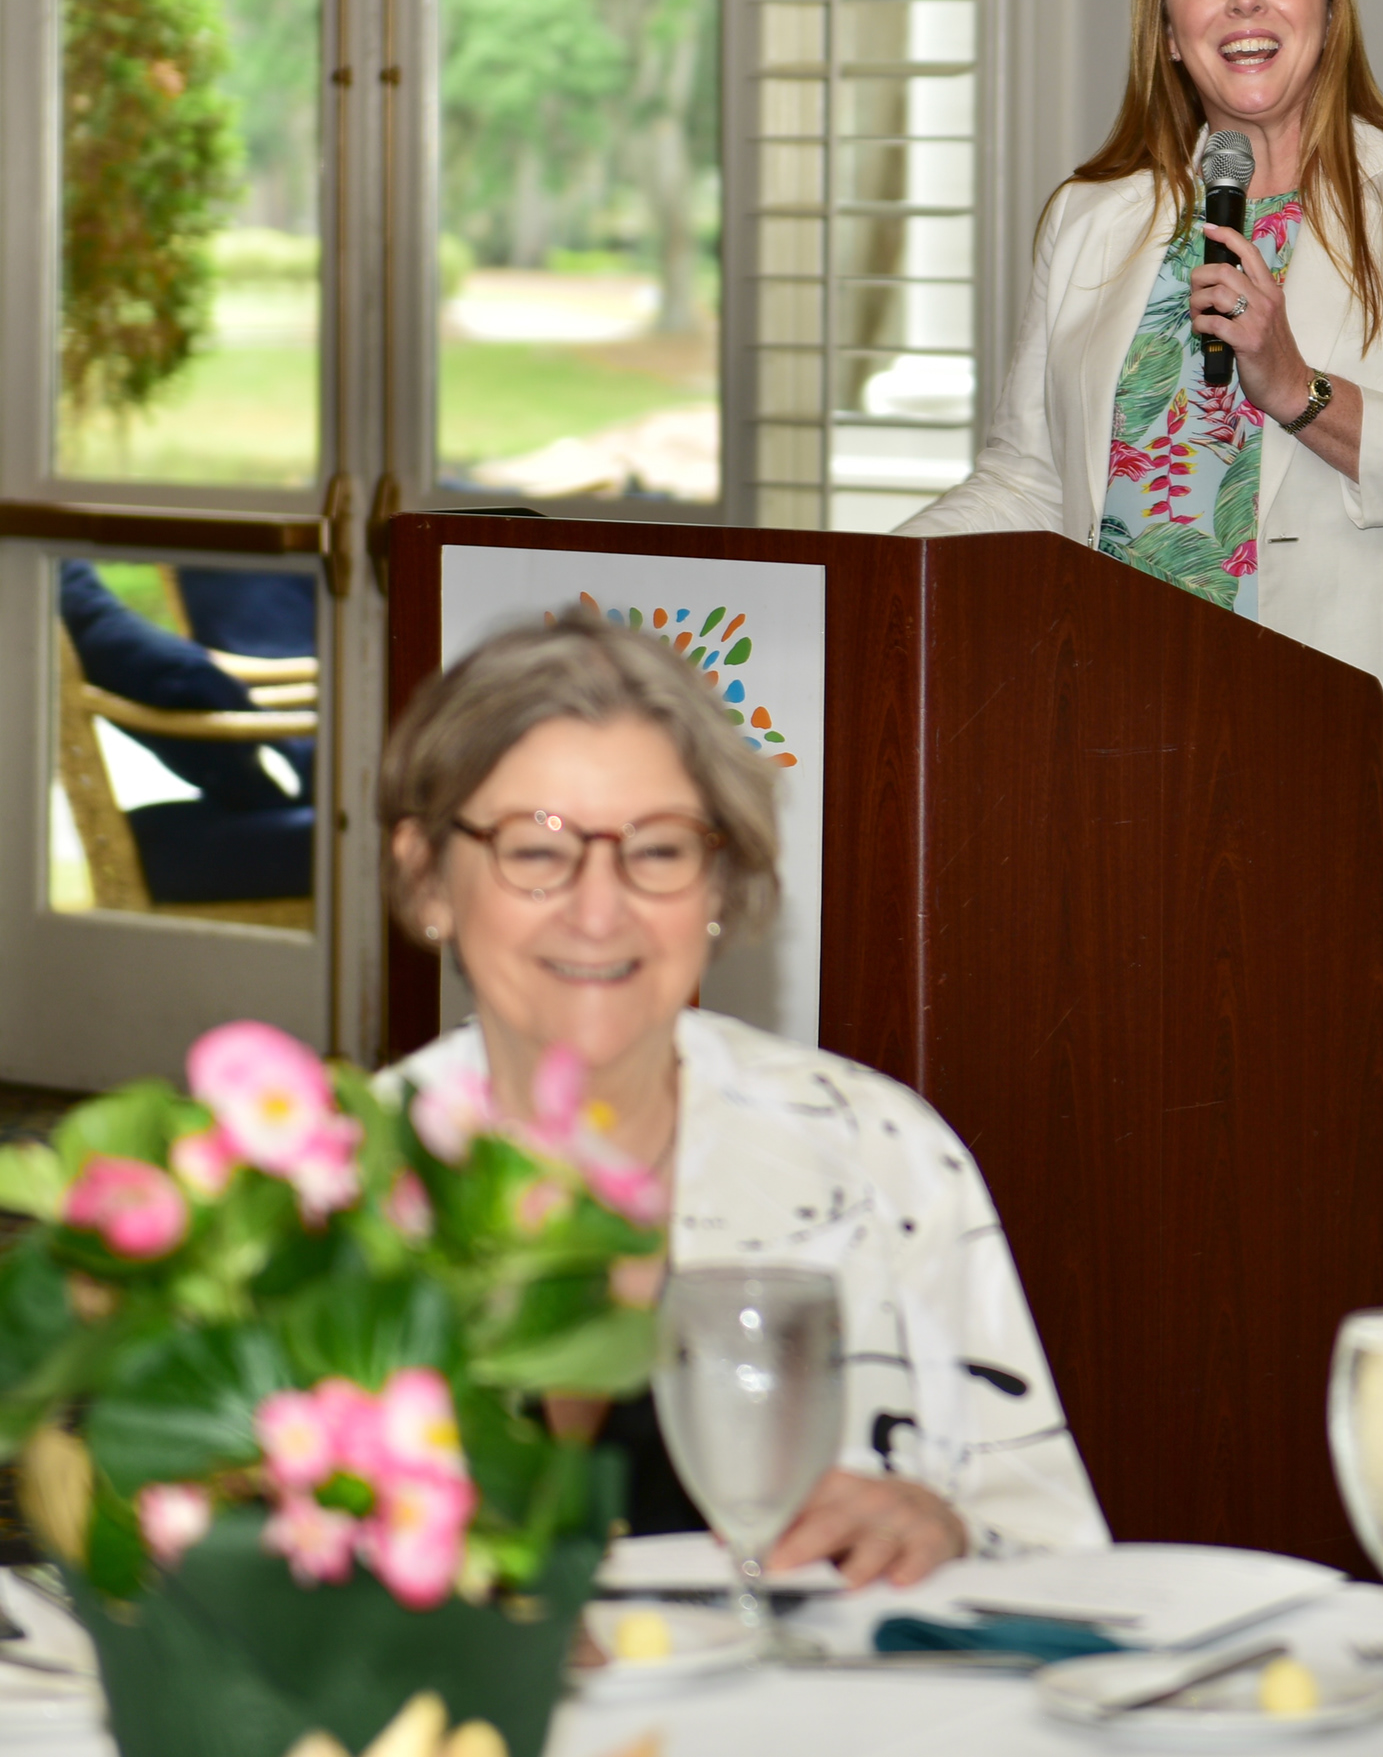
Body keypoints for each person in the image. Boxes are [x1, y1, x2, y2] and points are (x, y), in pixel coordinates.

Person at [898, 0, 1383, 1308]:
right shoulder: (1093, 219)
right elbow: (1026, 481)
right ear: (1170, 19)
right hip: (1141, 755)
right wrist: (857, 584)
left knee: (1377, 1177)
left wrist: (1294, 386)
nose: (1244, 0)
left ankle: (1379, 1526)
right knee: (1166, 1163)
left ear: (1328, 1)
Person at [377, 608, 1108, 1587]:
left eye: (660, 849)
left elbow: (1068, 1564)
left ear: (719, 884)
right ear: (428, 879)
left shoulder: (877, 1151)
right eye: (536, 849)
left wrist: (949, 1529)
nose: (601, 909)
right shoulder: (320, 1194)